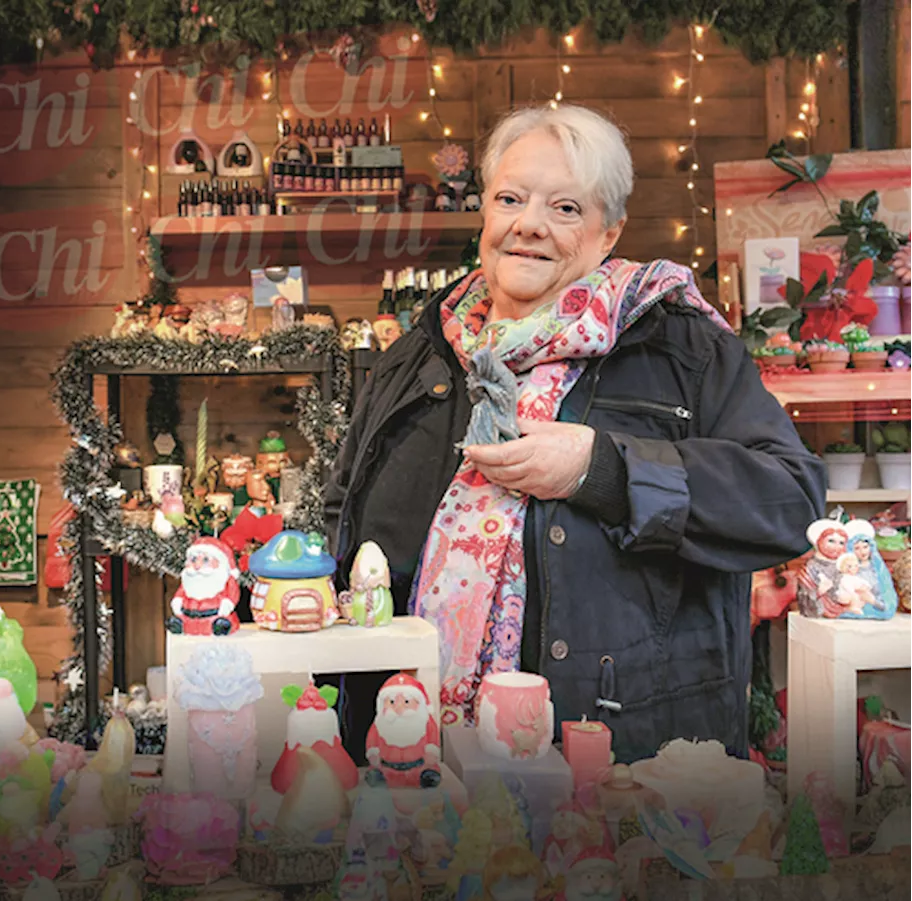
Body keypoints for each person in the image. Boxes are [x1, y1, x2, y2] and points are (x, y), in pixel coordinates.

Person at [324, 103, 826, 764]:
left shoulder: (681, 346)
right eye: (510, 198)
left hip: (627, 767)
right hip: (408, 763)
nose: (529, 224)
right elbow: (343, 509)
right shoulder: (423, 350)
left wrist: (606, 469)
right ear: (486, 211)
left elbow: (790, 499)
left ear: (608, 232)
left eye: (565, 208)